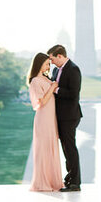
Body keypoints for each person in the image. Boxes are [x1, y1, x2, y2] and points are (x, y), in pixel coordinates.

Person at [46, 44, 82, 191]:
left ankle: (75, 183)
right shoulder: (56, 70)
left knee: (70, 149)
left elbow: (74, 94)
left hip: (69, 116)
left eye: (52, 59)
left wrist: (56, 89)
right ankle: (69, 178)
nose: (51, 62)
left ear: (60, 56)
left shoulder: (73, 69)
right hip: (60, 116)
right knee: (66, 149)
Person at [27, 53, 63, 192]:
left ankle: (53, 181)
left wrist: (52, 85)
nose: (48, 67)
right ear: (39, 64)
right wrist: (52, 87)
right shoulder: (35, 81)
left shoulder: (46, 78)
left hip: (50, 118)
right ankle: (42, 183)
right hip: (43, 119)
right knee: (43, 150)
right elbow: (41, 102)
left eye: (49, 64)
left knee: (51, 148)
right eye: (47, 64)